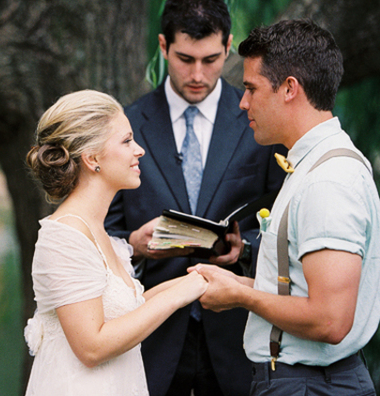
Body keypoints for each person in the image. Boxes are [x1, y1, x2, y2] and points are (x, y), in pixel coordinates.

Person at [104, 1, 286, 395]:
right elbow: (101, 233)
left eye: (212, 59)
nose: (198, 74)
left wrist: (244, 248)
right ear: (163, 46)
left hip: (237, 337)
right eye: (185, 59)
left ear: (228, 46)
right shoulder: (125, 125)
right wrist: (132, 246)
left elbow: (282, 221)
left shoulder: (260, 122)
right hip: (149, 338)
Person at [191, 19, 380, 395]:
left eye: (251, 88)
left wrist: (241, 296)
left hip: (310, 385)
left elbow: (329, 320)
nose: (243, 102)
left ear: (290, 88)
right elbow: (304, 291)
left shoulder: (329, 180)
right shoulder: (312, 165)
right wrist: (241, 275)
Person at [23, 89, 208, 396]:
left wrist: (197, 281)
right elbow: (92, 347)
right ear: (92, 158)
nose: (140, 151)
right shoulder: (64, 237)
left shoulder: (97, 231)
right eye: (126, 141)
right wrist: (178, 296)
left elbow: (129, 310)